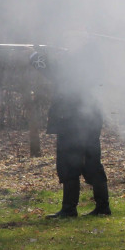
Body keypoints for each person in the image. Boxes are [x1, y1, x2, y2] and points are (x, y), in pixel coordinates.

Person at [31, 31, 109, 218]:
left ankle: (71, 209)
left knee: (73, 164)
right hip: (84, 119)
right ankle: (99, 207)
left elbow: (56, 74)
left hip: (74, 119)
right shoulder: (89, 57)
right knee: (88, 164)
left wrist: (35, 57)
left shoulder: (81, 60)